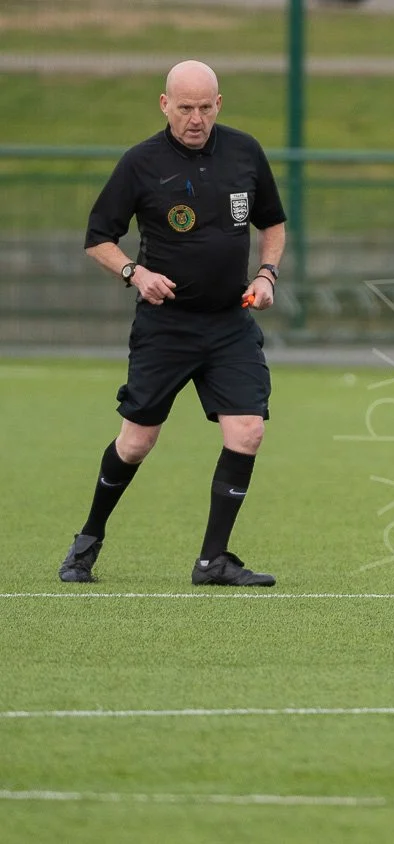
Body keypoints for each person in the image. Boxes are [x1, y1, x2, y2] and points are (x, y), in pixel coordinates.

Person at [59, 60, 284, 587]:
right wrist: (135, 273)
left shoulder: (245, 152)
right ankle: (88, 539)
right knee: (136, 443)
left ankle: (213, 561)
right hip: (166, 327)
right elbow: (98, 239)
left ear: (219, 104)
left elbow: (271, 221)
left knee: (247, 431)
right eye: (185, 108)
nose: (196, 118)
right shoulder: (140, 163)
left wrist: (268, 273)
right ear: (165, 105)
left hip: (230, 323)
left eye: (205, 107)